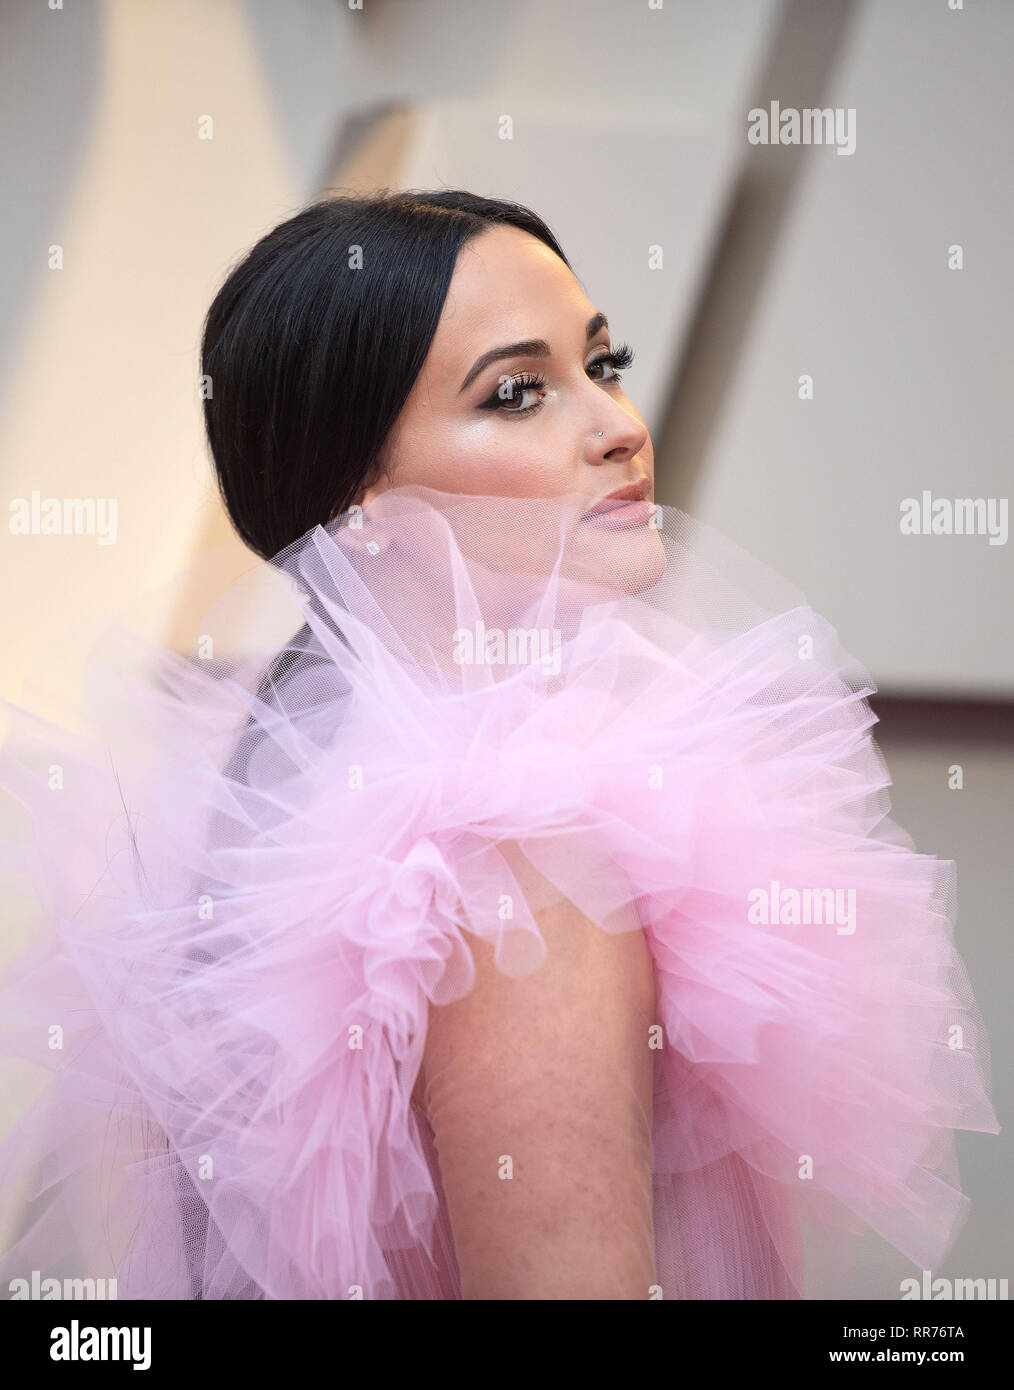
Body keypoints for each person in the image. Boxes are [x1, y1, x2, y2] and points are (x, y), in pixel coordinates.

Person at [0, 190, 999, 1301]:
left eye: (604, 364)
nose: (619, 424)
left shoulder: (289, 798)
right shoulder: (518, 861)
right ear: (361, 498)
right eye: (518, 392)